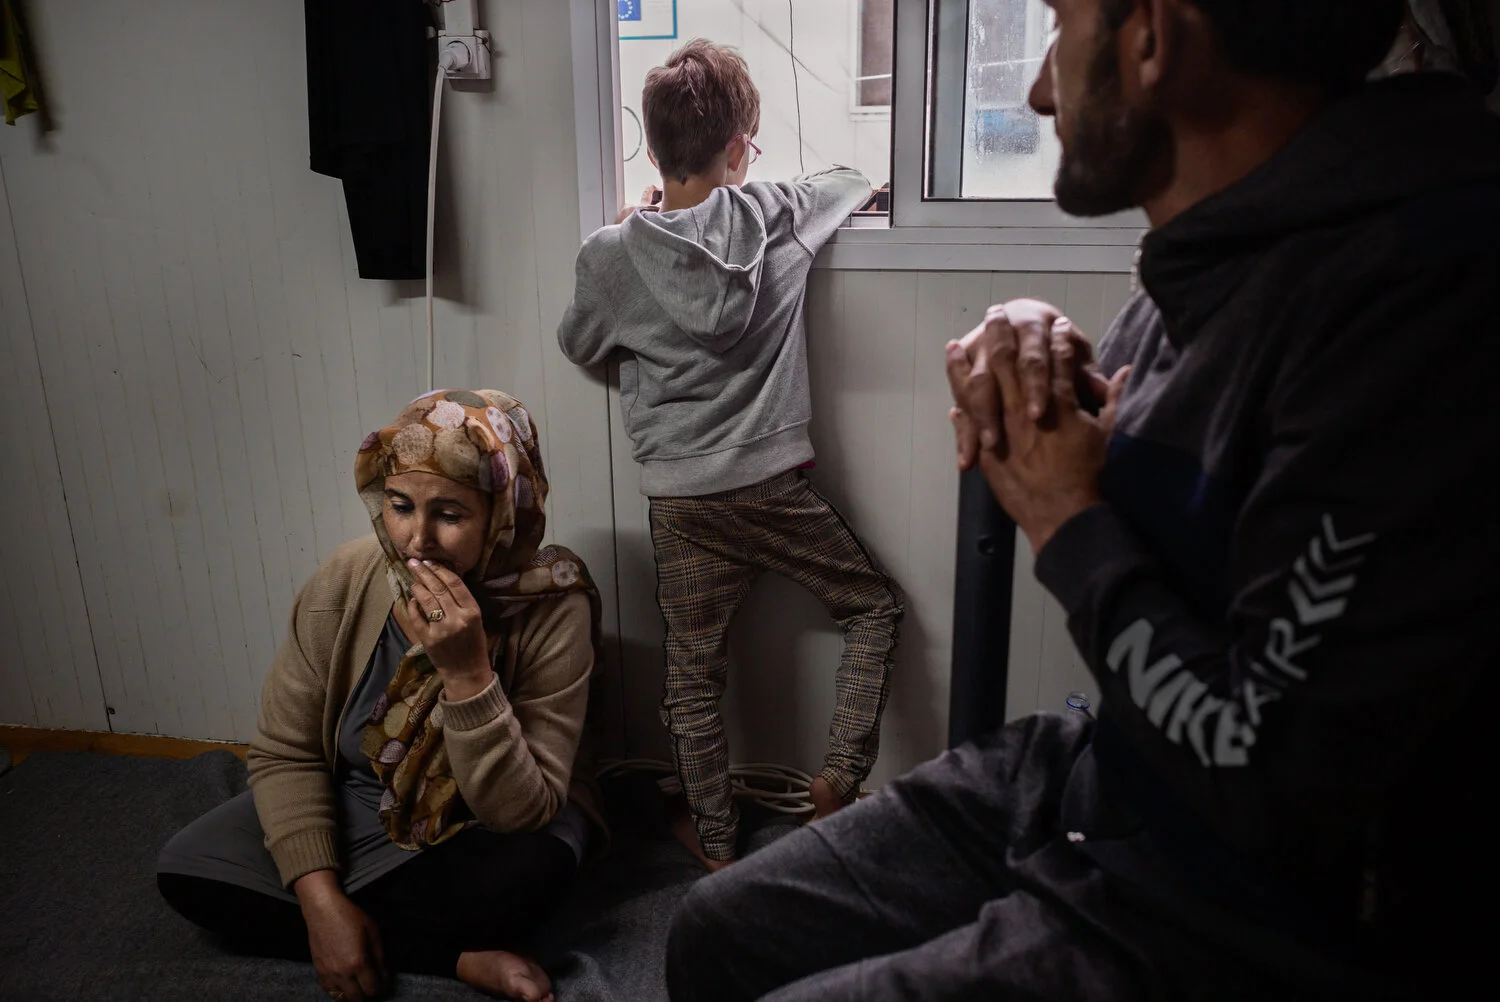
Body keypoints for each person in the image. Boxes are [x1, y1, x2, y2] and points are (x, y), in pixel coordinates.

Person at [665, 1, 1499, 999]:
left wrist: (1067, 524)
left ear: (1150, 35)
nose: (1040, 85)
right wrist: (1048, 342)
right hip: (1108, 781)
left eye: (1061, 25)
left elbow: (1273, 780)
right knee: (714, 930)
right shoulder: (1233, 244)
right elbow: (1208, 457)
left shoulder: (1424, 294)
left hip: (1244, 908)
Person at [557, 39, 903, 870]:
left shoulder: (610, 254)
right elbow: (850, 181)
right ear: (740, 148)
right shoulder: (779, 215)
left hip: (680, 498)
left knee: (692, 674)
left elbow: (579, 344)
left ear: (651, 144)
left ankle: (715, 842)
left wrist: (626, 233)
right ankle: (837, 779)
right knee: (874, 607)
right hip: (773, 483)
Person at [158, 390, 605, 1002]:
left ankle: (403, 935)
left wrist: (468, 673)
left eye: (450, 514)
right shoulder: (347, 577)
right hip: (363, 802)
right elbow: (286, 752)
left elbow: (521, 811)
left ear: (503, 512)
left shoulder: (553, 603)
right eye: (399, 507)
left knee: (532, 871)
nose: (416, 541)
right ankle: (451, 954)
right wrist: (319, 902)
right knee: (189, 870)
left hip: (482, 828)